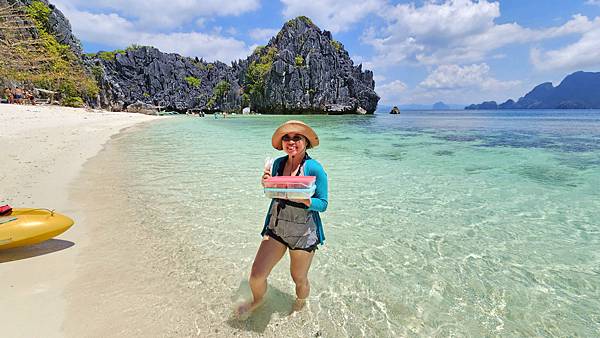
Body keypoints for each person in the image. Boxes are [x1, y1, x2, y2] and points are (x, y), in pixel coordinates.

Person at [236, 120, 328, 317]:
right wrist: (265, 183)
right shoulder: (277, 164)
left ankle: (301, 304)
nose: (291, 141)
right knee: (256, 275)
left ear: (306, 142)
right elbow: (273, 192)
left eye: (297, 138)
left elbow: (324, 203)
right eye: (286, 137)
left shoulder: (314, 168)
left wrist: (307, 200)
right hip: (277, 226)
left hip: (303, 232)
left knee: (299, 278)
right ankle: (258, 300)